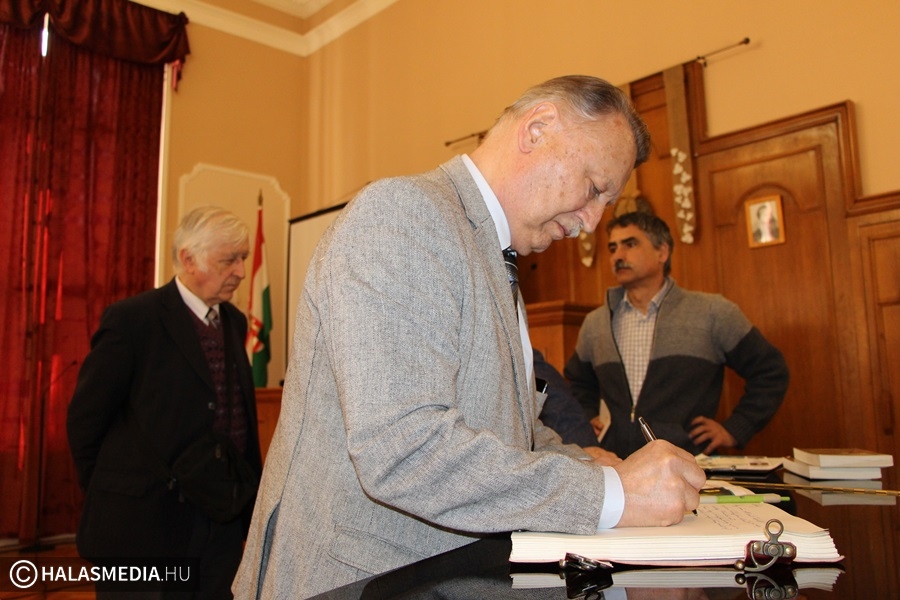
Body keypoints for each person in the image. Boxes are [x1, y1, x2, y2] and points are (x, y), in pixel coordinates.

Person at [234, 75, 705, 598]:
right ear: (538, 129)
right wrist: (609, 495)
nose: (591, 223)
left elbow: (502, 425)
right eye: (594, 188)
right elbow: (404, 449)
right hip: (358, 581)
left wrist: (588, 462)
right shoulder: (404, 215)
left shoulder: (492, 251)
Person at [67, 206, 263, 599]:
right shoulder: (133, 320)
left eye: (243, 258)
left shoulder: (234, 321)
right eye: (229, 260)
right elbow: (86, 421)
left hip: (219, 522)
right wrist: (115, 491)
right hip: (142, 527)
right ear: (189, 259)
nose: (241, 271)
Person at [564, 211, 789, 460]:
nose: (618, 255)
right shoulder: (595, 323)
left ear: (662, 252)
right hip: (616, 467)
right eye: (613, 248)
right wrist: (587, 418)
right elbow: (577, 383)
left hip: (688, 464)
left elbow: (770, 371)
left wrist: (735, 428)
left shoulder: (712, 313)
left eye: (630, 244)